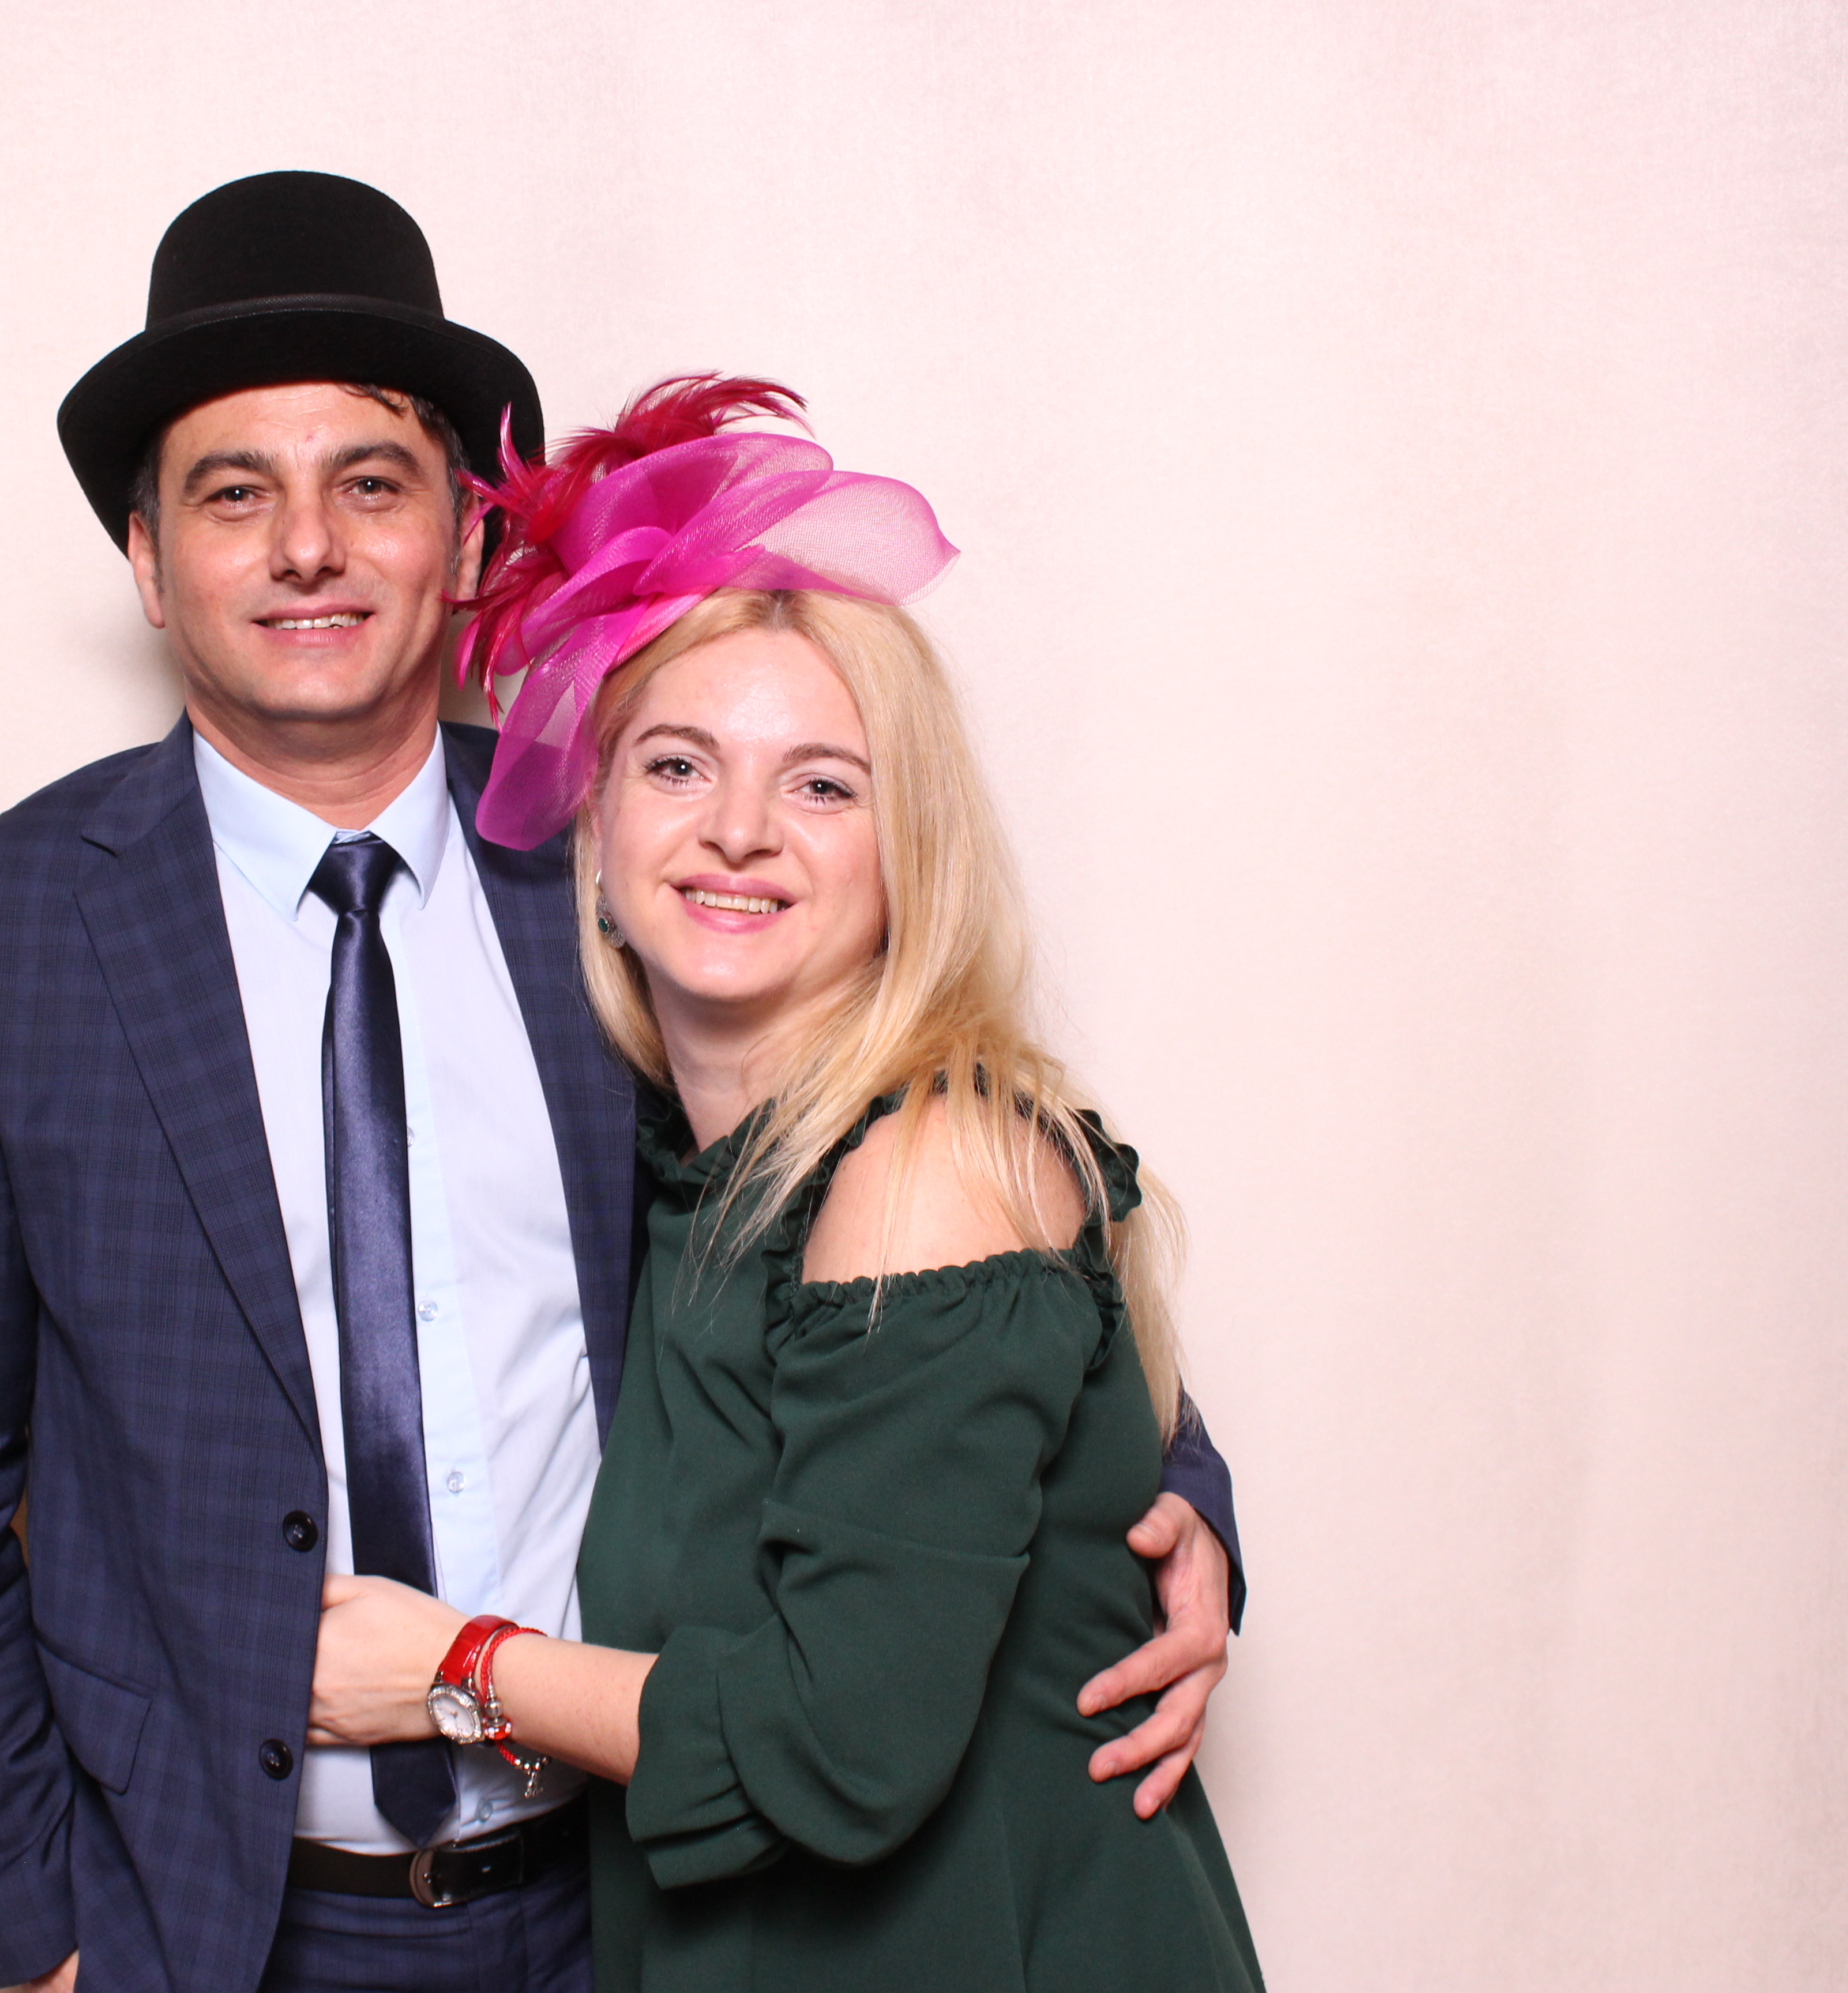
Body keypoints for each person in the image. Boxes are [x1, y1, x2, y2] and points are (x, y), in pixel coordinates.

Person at [0, 175, 1246, 1993]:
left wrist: (1179, 1500)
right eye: (235, 494)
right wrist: (43, 1940)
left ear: (467, 542)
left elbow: (916, 1178)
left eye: (372, 484)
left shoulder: (625, 864)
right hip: (224, 1925)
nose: (308, 547)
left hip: (641, 1891)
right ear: (150, 563)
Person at [306, 378, 1264, 1990]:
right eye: (679, 766)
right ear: (595, 825)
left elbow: (840, 1747)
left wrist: (458, 1670)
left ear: (910, 852)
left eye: (823, 783)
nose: (741, 831)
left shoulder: (924, 1172)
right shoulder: (690, 1163)